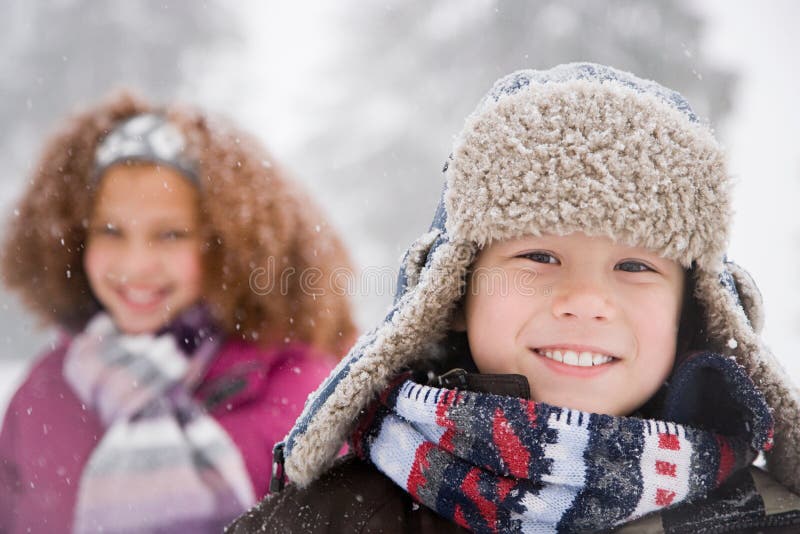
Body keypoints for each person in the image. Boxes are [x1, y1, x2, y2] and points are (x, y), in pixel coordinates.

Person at [228, 63, 800, 533]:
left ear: (692, 312)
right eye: (539, 257)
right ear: (453, 291)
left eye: (634, 265)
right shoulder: (330, 521)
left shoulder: (770, 518)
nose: (584, 301)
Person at [0, 91, 357, 534]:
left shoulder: (305, 394)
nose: (135, 264)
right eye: (111, 231)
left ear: (228, 245)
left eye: (170, 235)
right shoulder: (45, 391)